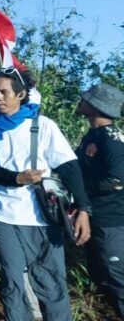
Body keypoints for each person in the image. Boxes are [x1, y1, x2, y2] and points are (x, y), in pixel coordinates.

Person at [0, 68, 91, 321]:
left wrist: (83, 209)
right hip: (3, 215)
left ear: (21, 94)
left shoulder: (42, 125)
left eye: (4, 92)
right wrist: (16, 178)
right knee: (12, 280)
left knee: (50, 279)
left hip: (41, 216)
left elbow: (69, 167)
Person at [76, 83, 124, 318]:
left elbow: (116, 180)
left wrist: (81, 190)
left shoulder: (113, 139)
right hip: (93, 219)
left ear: (95, 106)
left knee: (117, 279)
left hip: (111, 223)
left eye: (85, 99)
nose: (80, 101)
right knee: (101, 277)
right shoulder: (92, 136)